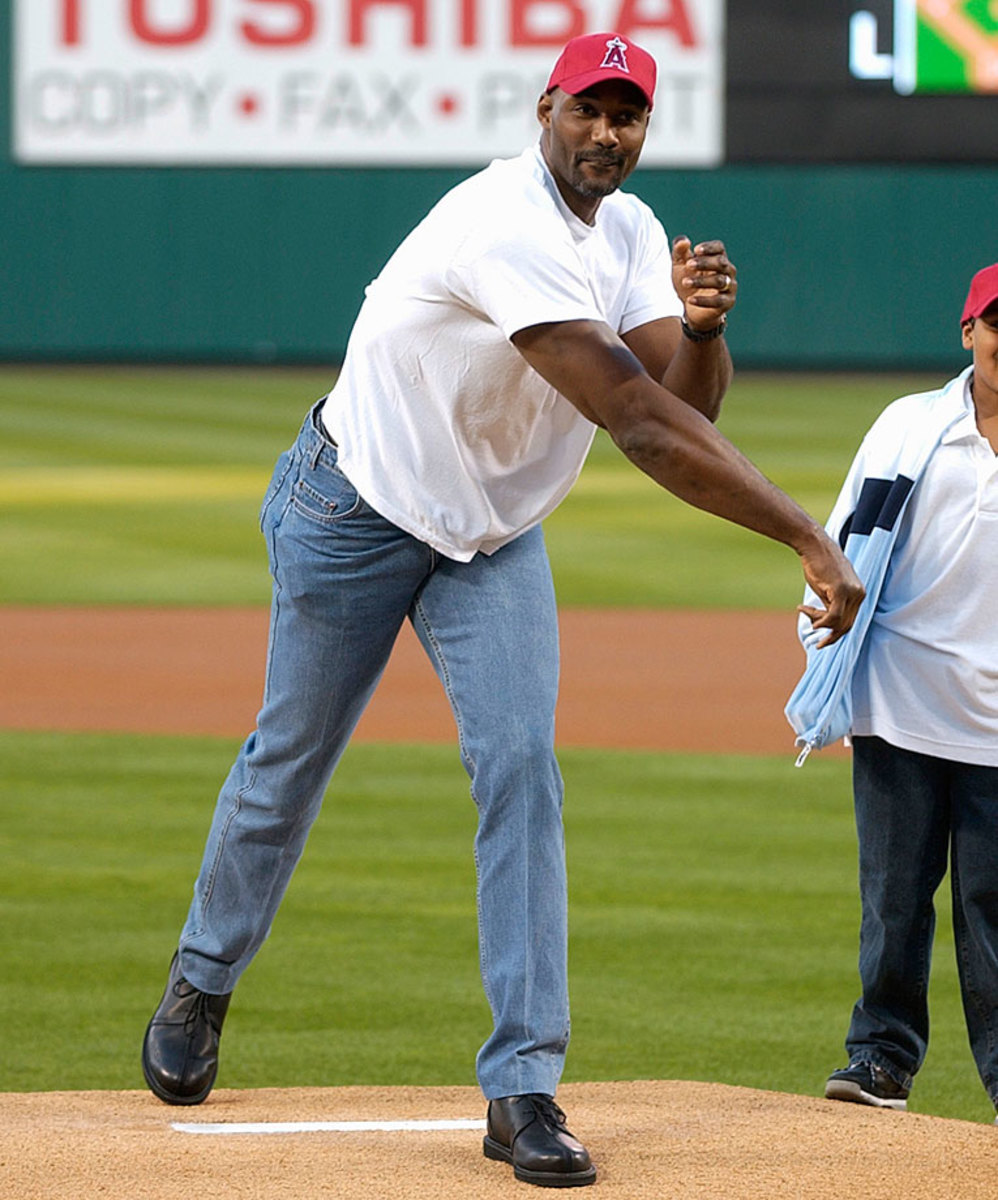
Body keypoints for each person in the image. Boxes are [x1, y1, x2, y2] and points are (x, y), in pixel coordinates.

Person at [142, 30, 863, 1187]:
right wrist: (801, 533)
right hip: (357, 506)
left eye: (627, 115)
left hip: (488, 538)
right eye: (588, 109)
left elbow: (686, 401)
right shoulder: (503, 222)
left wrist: (705, 336)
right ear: (545, 108)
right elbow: (635, 426)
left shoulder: (623, 231)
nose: (606, 134)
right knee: (290, 760)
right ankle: (202, 978)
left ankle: (521, 1087)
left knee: (522, 768)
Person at [790, 263, 998, 1114]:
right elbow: (842, 546)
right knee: (894, 899)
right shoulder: (911, 428)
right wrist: (823, 649)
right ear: (968, 332)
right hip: (903, 704)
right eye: (997, 323)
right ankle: (880, 1057)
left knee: (994, 913)